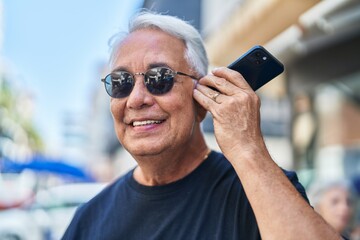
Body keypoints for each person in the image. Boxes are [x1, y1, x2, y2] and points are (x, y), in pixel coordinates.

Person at [62, 11, 342, 239]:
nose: (136, 99)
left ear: (202, 94)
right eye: (121, 83)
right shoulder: (89, 220)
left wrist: (247, 149)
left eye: (160, 78)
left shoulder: (258, 191)